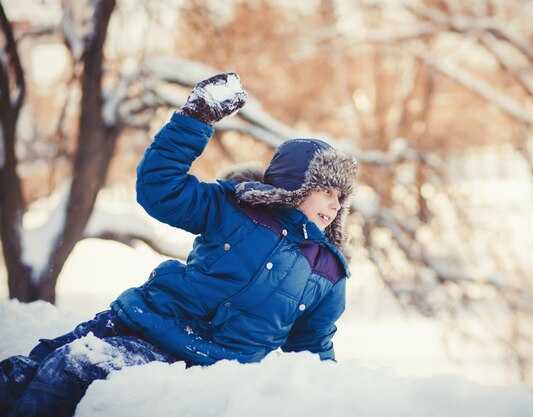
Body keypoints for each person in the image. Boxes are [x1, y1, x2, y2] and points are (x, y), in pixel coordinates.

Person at [0, 72, 358, 417]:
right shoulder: (233, 207)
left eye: (341, 196)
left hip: (192, 360)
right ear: (295, 183)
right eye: (326, 190)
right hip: (140, 317)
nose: (335, 204)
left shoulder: (327, 271)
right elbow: (161, 189)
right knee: (33, 366)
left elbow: (312, 351)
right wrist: (195, 120)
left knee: (71, 369)